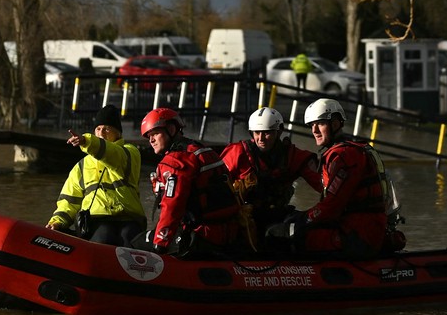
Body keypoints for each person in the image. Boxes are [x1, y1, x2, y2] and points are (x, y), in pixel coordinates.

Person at [266, 97, 401, 259]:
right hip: (366, 229)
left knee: (280, 235)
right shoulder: (356, 149)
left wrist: (302, 220)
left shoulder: (343, 156)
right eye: (312, 125)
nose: (315, 130)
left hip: (357, 235)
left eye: (320, 124)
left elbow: (332, 205)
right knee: (291, 220)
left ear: (335, 124)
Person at [139, 105, 243, 256]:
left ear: (171, 129)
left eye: (155, 134)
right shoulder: (203, 150)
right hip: (228, 231)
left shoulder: (176, 161)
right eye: (149, 136)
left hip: (202, 235)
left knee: (137, 242)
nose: (151, 140)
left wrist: (160, 245)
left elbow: (172, 206)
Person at [45, 104, 145, 246]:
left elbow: (112, 153)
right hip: (96, 220)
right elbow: (69, 201)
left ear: (118, 133)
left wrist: (87, 141)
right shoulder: (81, 166)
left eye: (107, 129)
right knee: (104, 235)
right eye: (98, 129)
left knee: (128, 237)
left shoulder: (130, 153)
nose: (101, 133)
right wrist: (56, 222)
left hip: (129, 218)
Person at [221, 106, 321, 247]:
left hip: (277, 215)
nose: (261, 138)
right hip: (244, 218)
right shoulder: (237, 153)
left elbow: (323, 185)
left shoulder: (293, 157)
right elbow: (216, 186)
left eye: (267, 133)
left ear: (278, 132)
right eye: (257, 133)